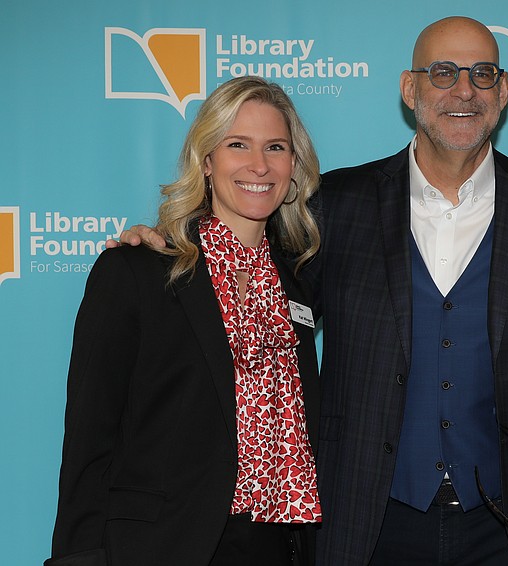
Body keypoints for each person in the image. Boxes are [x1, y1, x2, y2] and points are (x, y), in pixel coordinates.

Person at [113, 17, 508, 566]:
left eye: (482, 74)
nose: (463, 90)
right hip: (369, 520)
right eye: (442, 73)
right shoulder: (337, 205)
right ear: (410, 90)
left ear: (503, 94)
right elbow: (249, 283)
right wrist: (173, 240)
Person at [46, 76, 323, 566]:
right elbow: (90, 434)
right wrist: (78, 557)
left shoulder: (298, 279)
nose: (259, 165)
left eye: (275, 147)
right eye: (238, 144)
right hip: (161, 546)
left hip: (276, 545)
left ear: (293, 167)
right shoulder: (138, 269)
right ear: (207, 161)